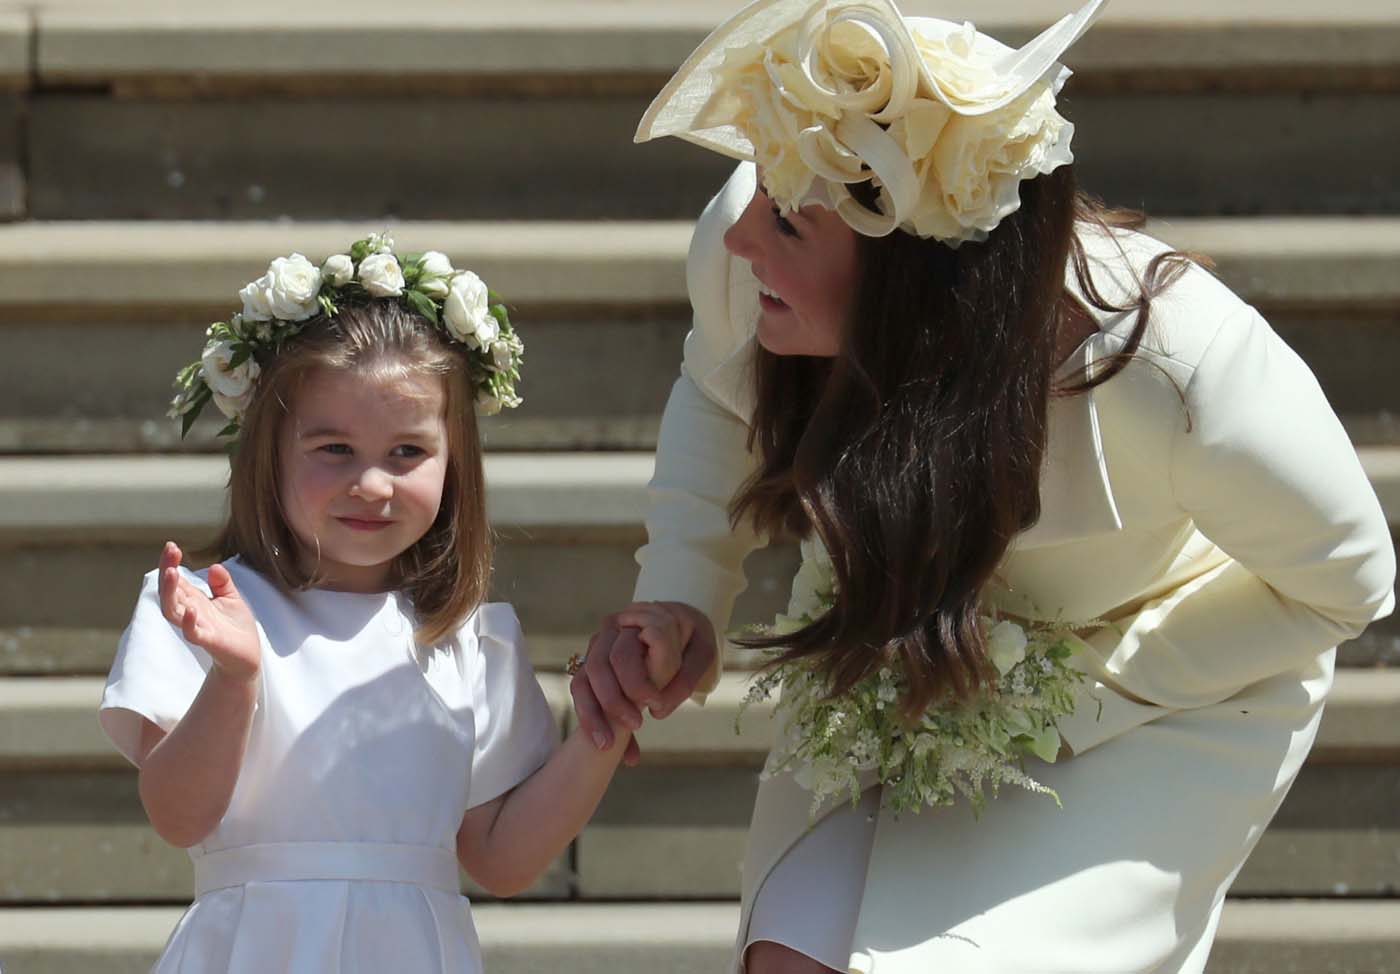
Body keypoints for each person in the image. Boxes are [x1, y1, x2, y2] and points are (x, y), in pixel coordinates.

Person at [570, 1, 1398, 972]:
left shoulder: (1180, 371)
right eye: (759, 189)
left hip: (1160, 693)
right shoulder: (745, 251)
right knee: (790, 953)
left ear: (913, 277)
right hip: (891, 636)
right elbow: (716, 393)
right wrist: (679, 588)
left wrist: (1057, 696)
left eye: (787, 221)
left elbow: (1345, 585)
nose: (742, 236)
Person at [98, 237, 676, 973]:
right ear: (267, 451)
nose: (371, 484)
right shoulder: (206, 611)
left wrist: (607, 719)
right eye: (334, 448)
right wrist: (235, 679)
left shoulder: (470, 639)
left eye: (406, 452)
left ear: (454, 460)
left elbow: (500, 857)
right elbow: (178, 816)